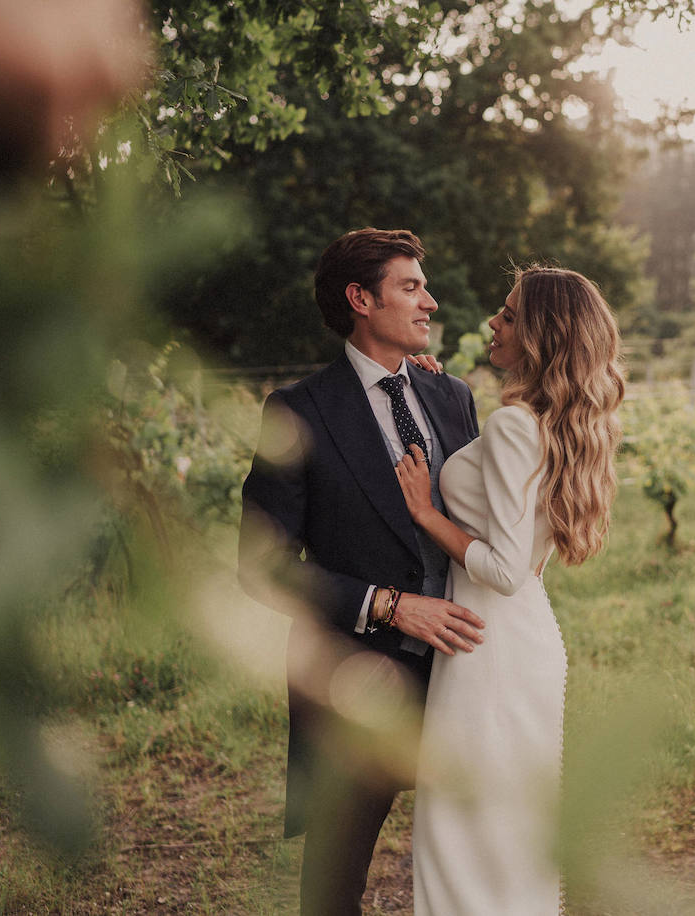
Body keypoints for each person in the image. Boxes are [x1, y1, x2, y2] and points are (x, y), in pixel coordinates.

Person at [238, 228, 487, 915]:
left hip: (470, 667)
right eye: (410, 287)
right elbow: (260, 567)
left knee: (474, 854)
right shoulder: (298, 411)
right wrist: (389, 605)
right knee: (334, 880)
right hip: (360, 675)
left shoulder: (451, 397)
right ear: (360, 299)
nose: (429, 302)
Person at [392, 266, 625, 914]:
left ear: (540, 335)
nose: (493, 323)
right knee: (503, 829)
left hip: (487, 644)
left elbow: (502, 567)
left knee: (462, 832)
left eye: (510, 315)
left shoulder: (516, 426)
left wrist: (425, 511)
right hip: (517, 637)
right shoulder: (549, 421)